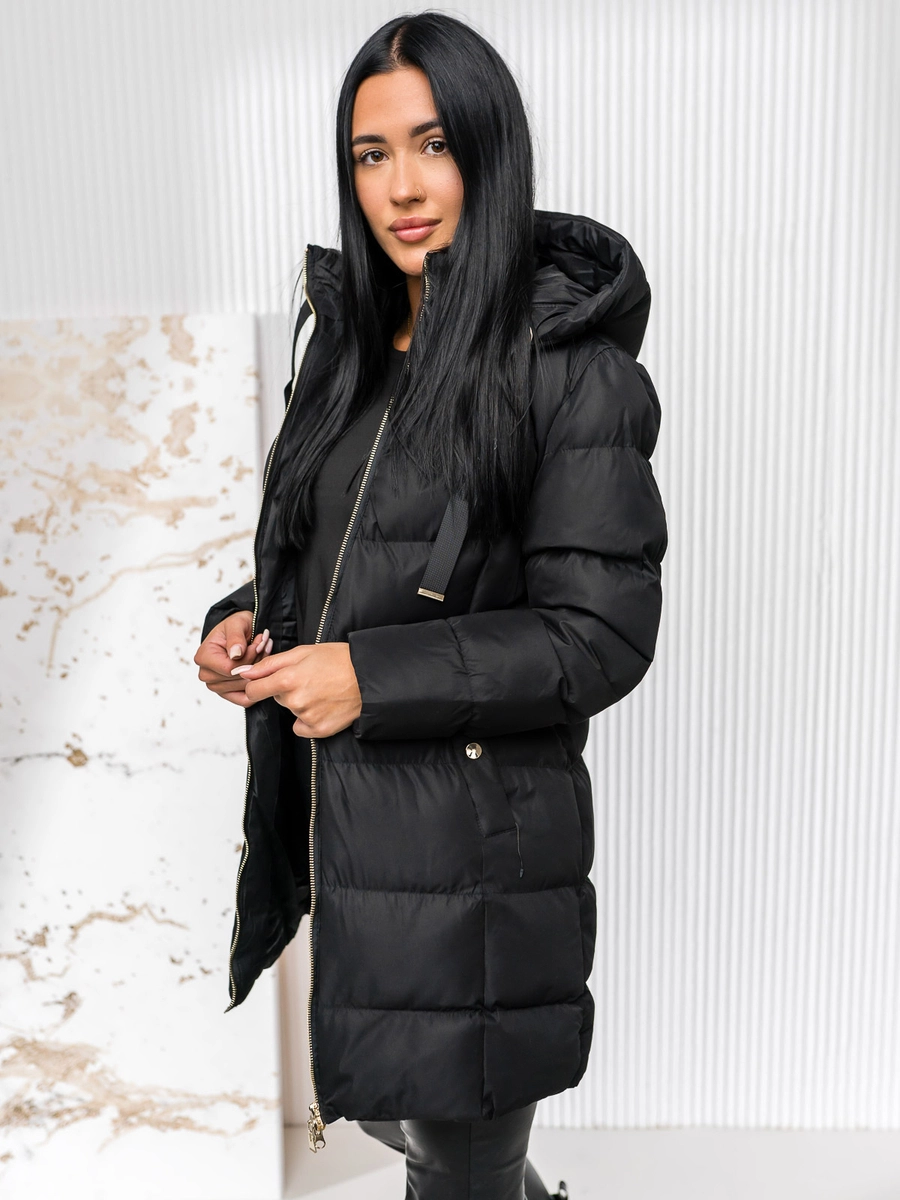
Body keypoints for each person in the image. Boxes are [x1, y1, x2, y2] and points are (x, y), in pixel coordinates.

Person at [193, 12, 667, 1200]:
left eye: (434, 144)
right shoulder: (353, 349)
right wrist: (253, 617)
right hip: (362, 841)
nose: (401, 186)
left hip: (478, 859)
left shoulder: (574, 370)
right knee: (416, 1129)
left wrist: (367, 676)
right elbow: (349, 550)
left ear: (490, 152)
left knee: (456, 1166)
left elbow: (598, 634)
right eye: (372, 153)